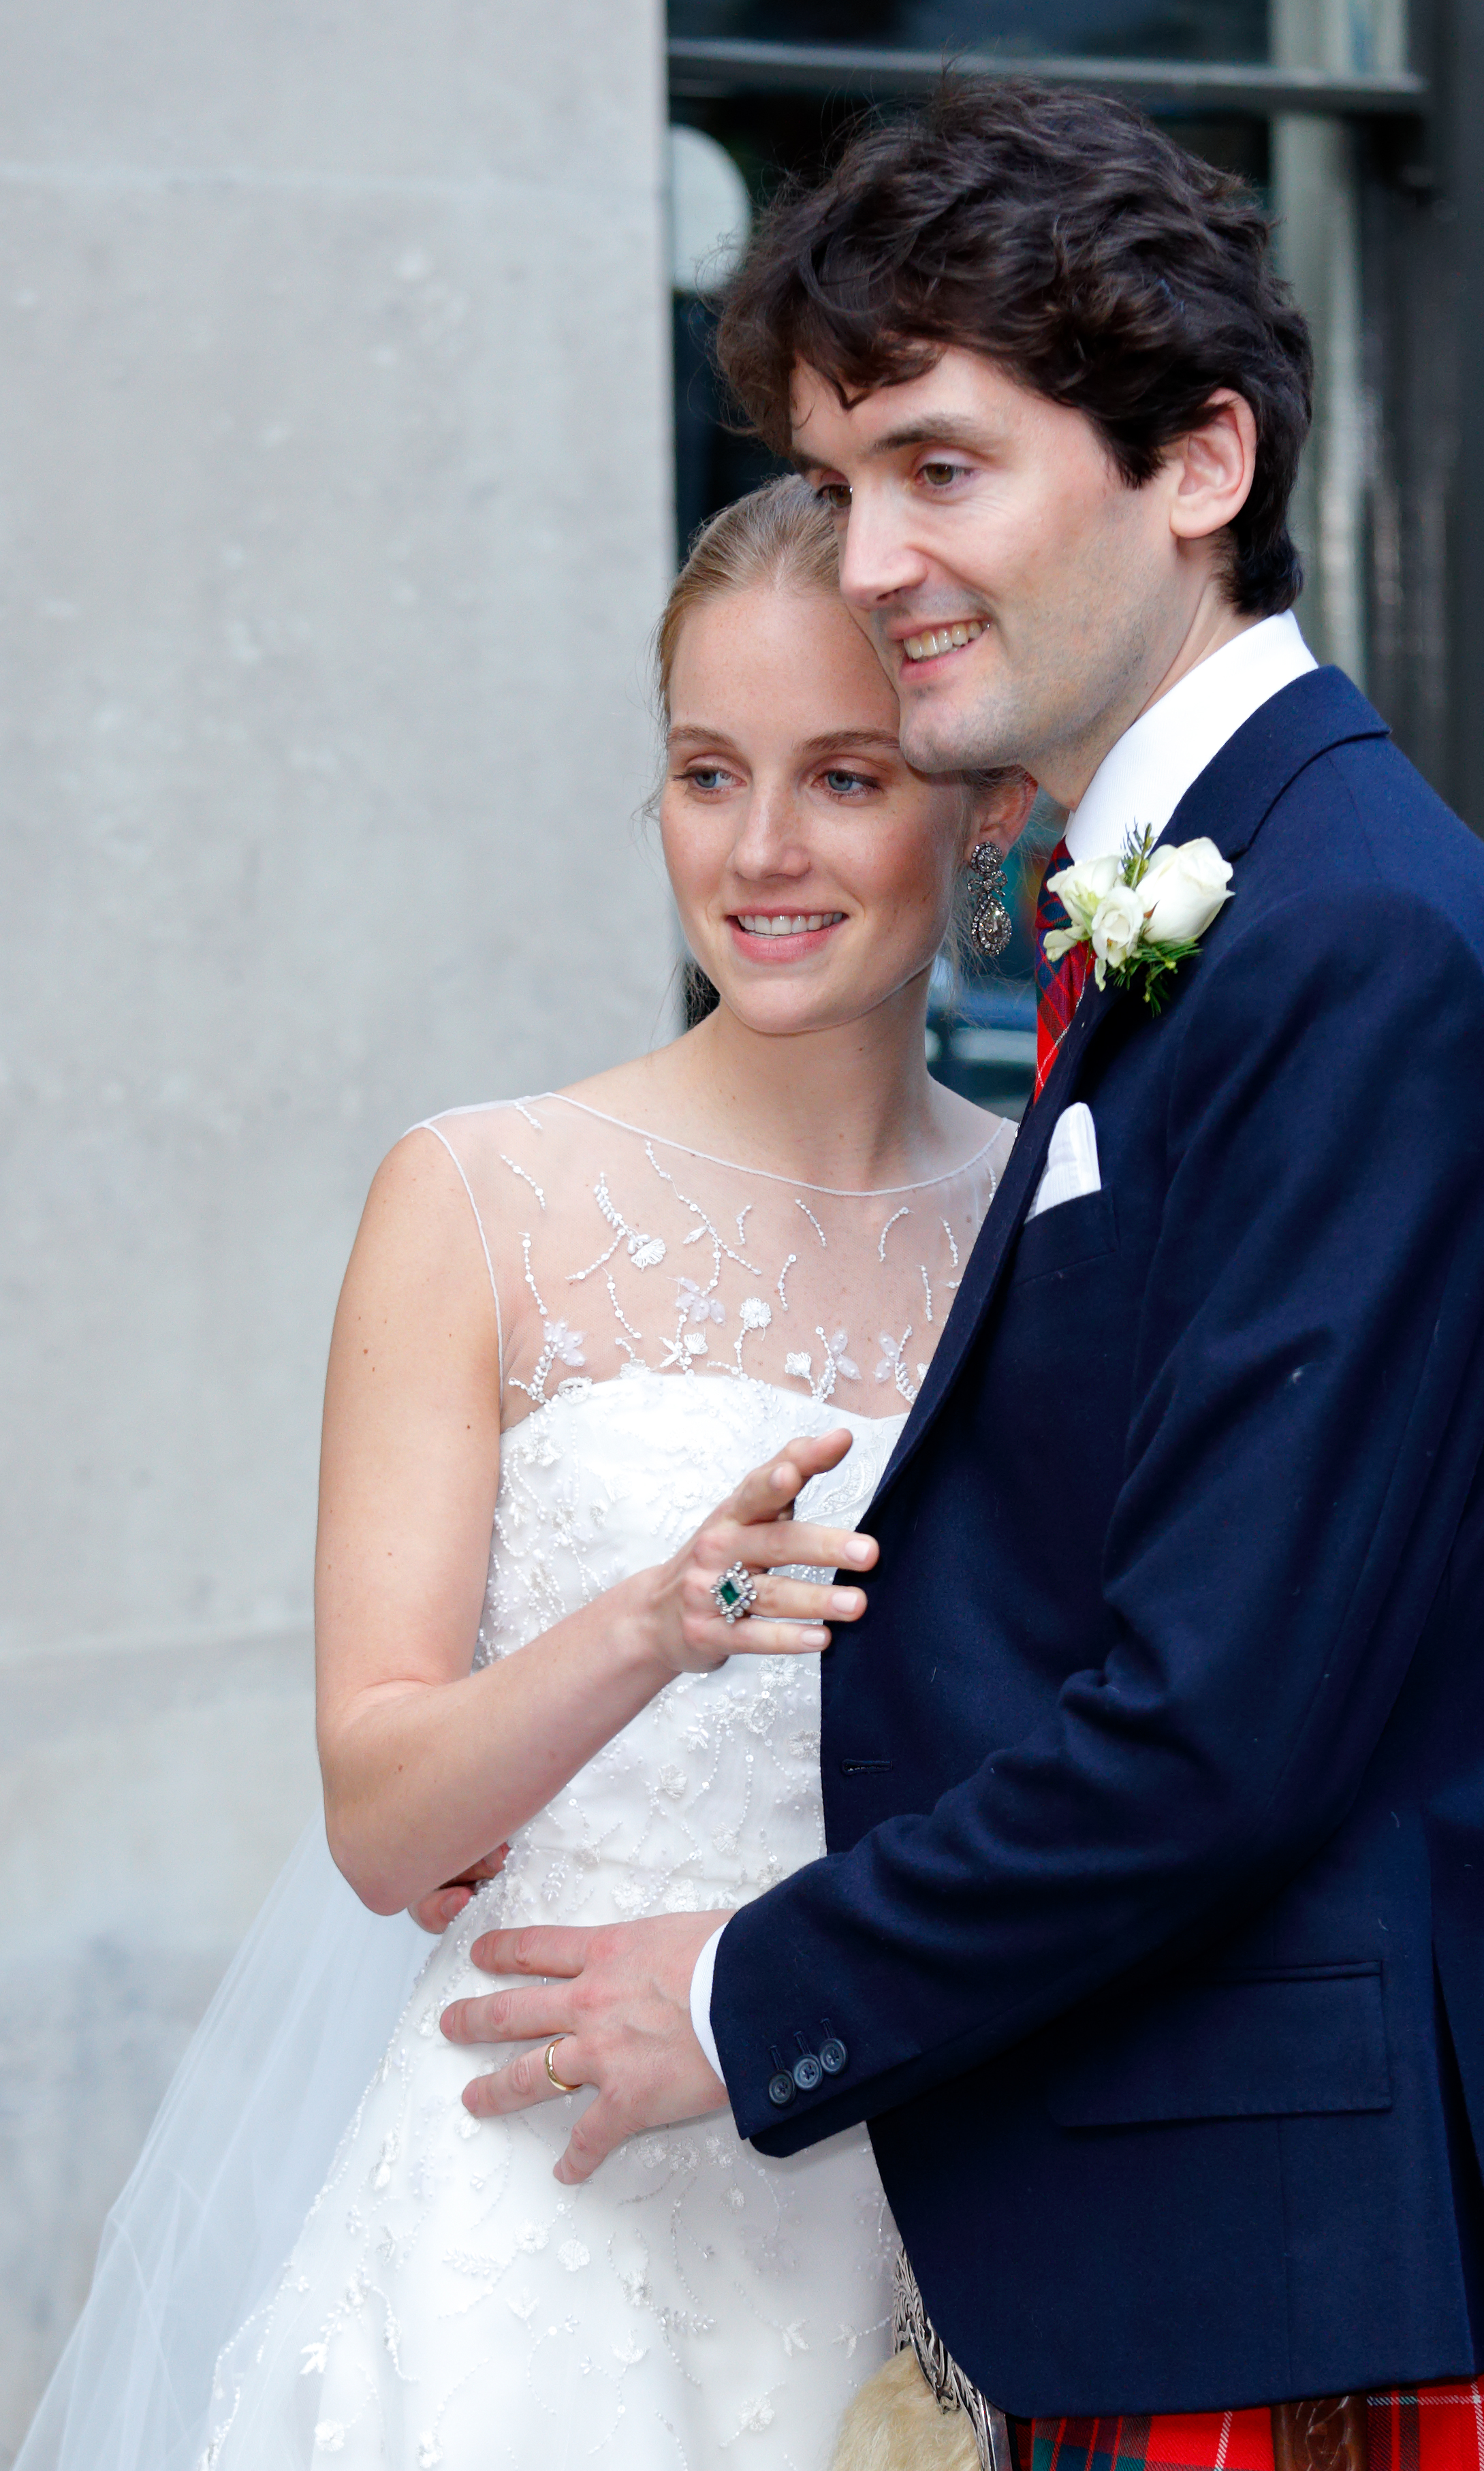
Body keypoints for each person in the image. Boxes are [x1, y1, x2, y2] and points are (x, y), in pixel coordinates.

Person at [448, 82, 1484, 2471]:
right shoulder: (1218, 903)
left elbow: (1219, 1720)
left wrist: (735, 1984)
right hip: (1175, 2249)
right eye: (843, 472)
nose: (875, 551)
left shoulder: (1357, 940)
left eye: (941, 465)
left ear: (1200, 465)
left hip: (1291, 2295)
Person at [17, 476, 1033, 2470]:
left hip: (920, 2234)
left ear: (978, 810)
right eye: (704, 772)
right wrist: (652, 1624)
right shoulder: (479, 1194)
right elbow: (384, 1824)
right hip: (529, 2247)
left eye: (840, 777)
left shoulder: (1048, 1227)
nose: (758, 851)